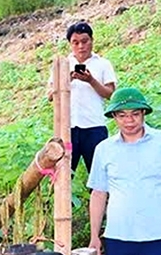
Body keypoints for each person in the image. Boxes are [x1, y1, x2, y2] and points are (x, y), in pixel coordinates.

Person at [87, 87, 161, 255]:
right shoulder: (104, 149)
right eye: (122, 115)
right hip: (118, 236)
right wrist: (94, 236)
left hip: (158, 235)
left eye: (135, 114)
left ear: (144, 113)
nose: (129, 121)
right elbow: (98, 194)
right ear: (114, 117)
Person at [47, 21, 117, 172]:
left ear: (92, 40)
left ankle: (100, 197)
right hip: (67, 128)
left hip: (94, 127)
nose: (81, 46)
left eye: (85, 41)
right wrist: (67, 80)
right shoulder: (62, 65)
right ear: (70, 44)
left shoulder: (103, 64)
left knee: (99, 173)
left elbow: (111, 94)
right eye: (75, 42)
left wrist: (91, 80)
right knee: (62, 173)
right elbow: (50, 95)